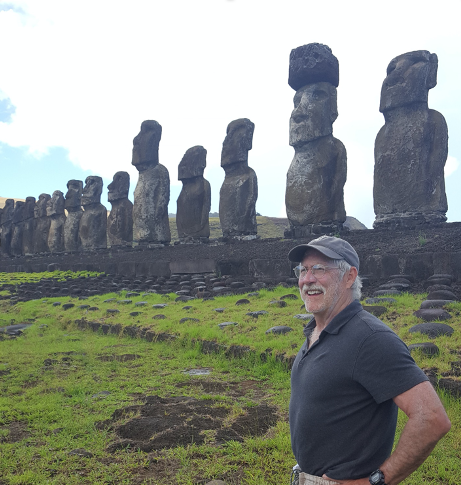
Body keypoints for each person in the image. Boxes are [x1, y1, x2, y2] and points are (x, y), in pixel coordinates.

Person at [288, 235, 451, 485]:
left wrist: (376, 481)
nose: (307, 279)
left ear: (349, 277)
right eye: (303, 270)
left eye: (319, 269)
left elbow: (431, 417)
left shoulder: (370, 338)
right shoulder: (316, 330)